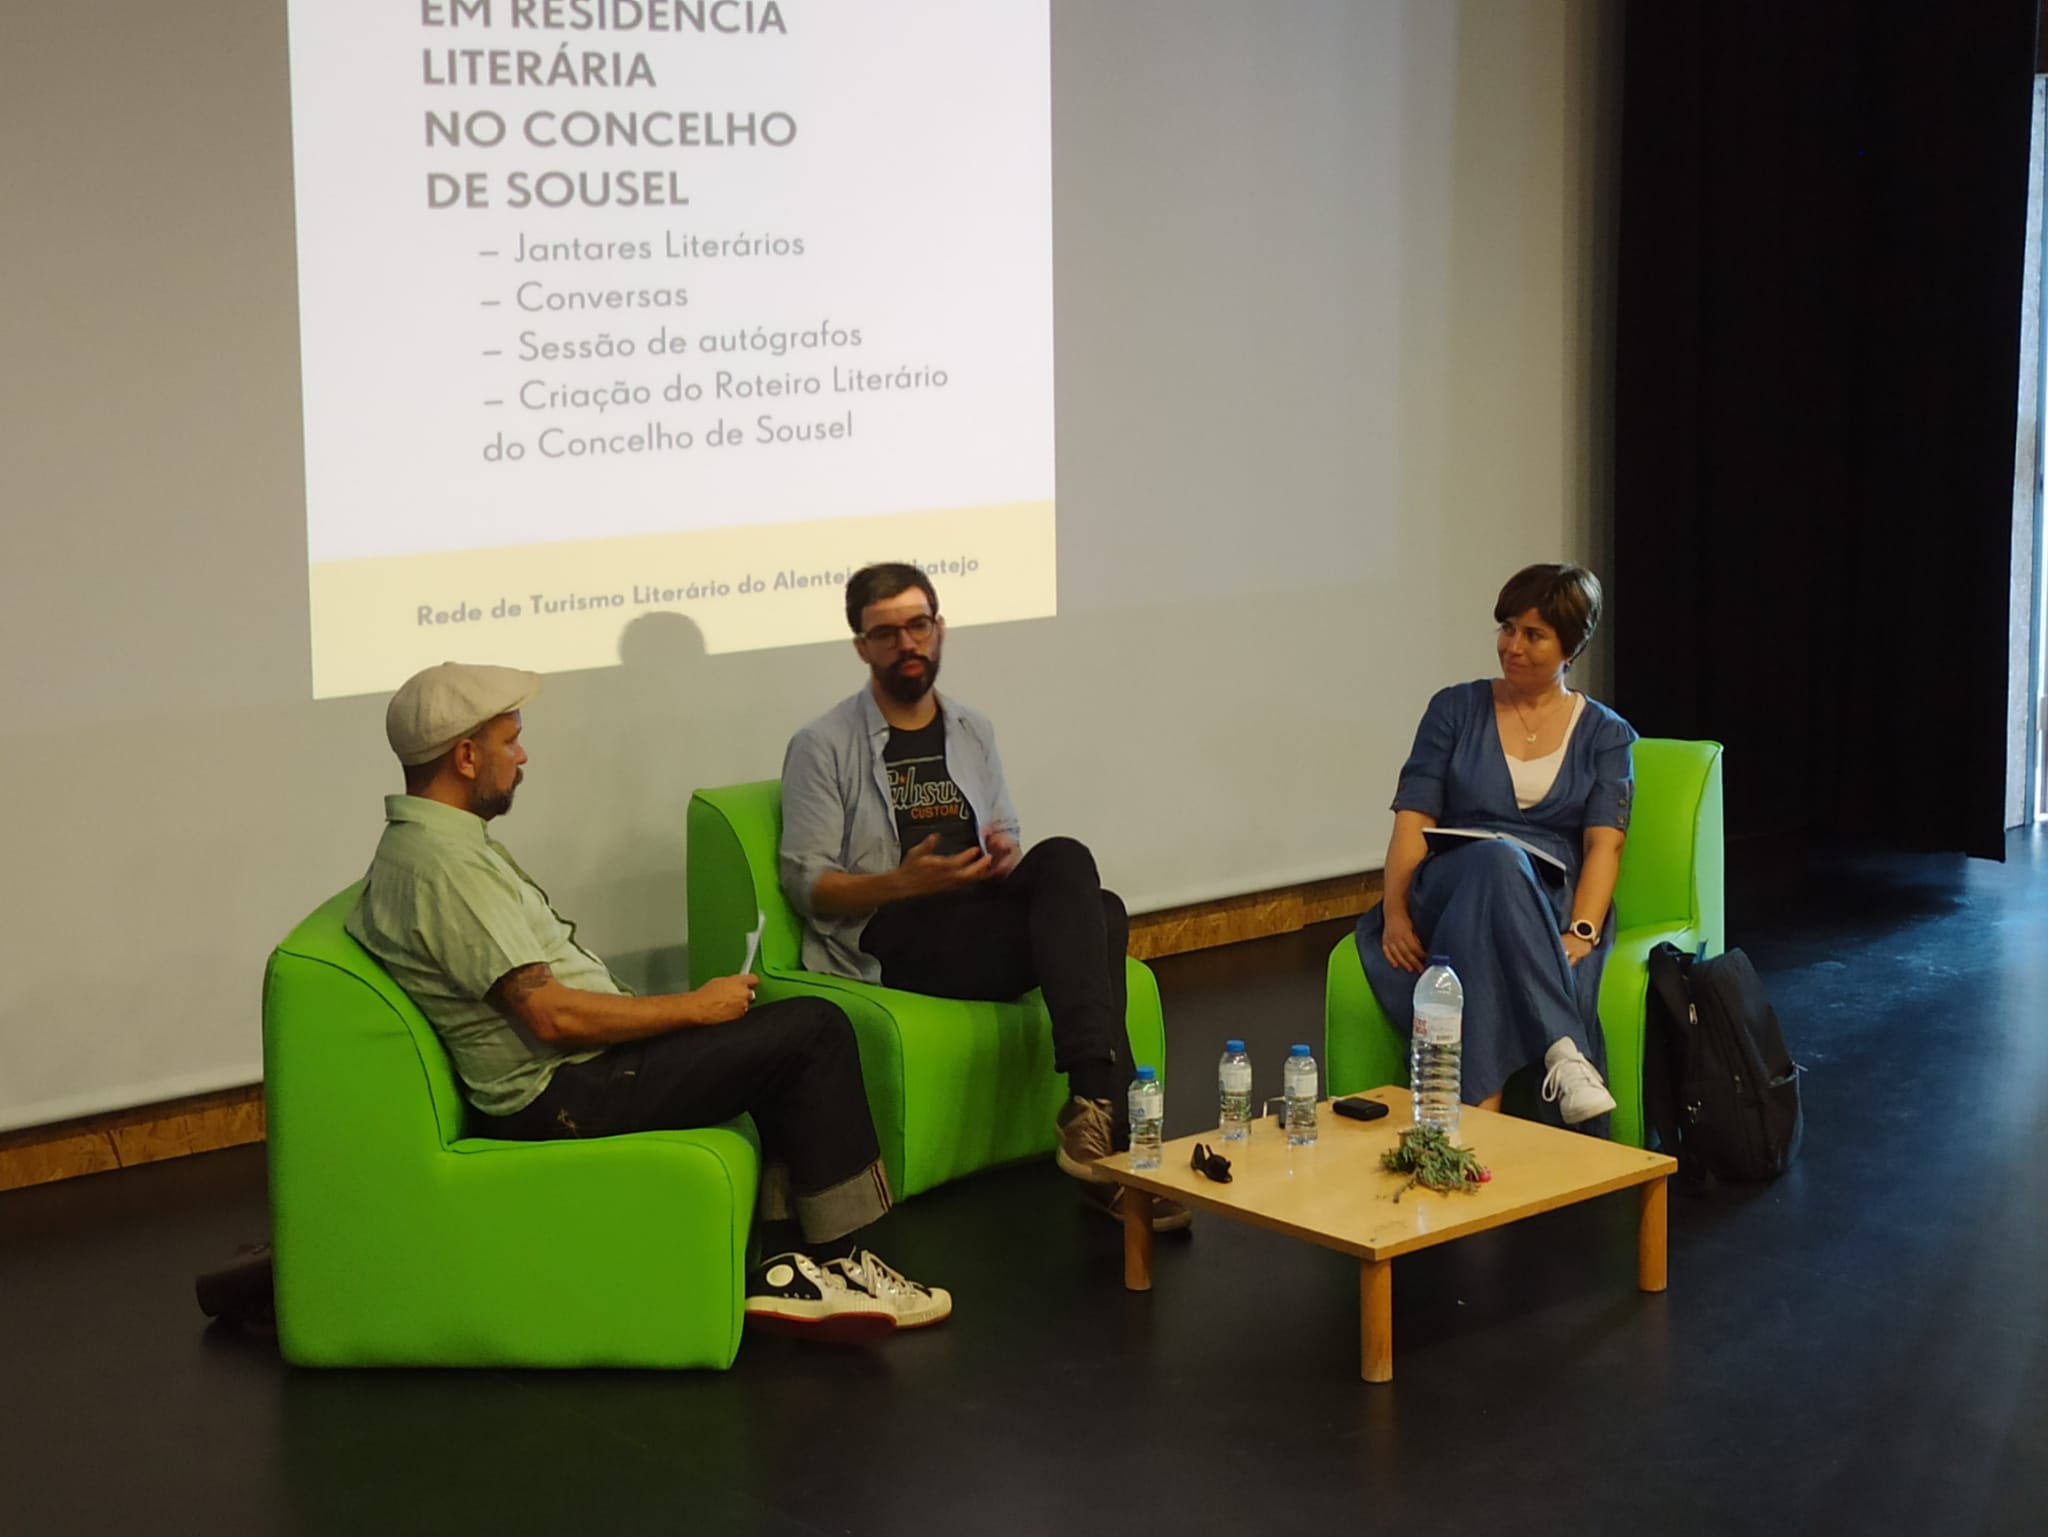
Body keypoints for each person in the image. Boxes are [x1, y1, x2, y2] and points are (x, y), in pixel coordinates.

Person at [345, 661, 949, 1342]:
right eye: (509, 741)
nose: (521, 755)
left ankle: (791, 1268)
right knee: (814, 1030)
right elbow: (551, 1017)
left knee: (781, 1034)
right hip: (566, 1094)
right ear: (464, 755)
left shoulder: (430, 850)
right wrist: (695, 1008)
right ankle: (839, 1257)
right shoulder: (442, 867)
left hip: (579, 1074)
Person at [778, 563, 1189, 1231]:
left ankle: (1091, 1110)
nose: (906, 643)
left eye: (917, 625)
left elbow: (1011, 837)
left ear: (940, 630)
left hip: (975, 913)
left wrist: (1003, 858)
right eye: (886, 633)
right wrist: (900, 882)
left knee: (1069, 862)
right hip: (894, 931)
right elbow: (808, 885)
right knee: (1104, 916)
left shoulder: (971, 728)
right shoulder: (822, 745)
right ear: (862, 646)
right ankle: (1112, 1147)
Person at [1353, 564, 1637, 1129]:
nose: (1512, 646)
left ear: (1570, 646)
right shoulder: (1453, 709)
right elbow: (1413, 818)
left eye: (1533, 635)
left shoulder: (1607, 734)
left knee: (1492, 916)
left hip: (1546, 897)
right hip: (1450, 883)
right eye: (1507, 628)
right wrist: (1395, 913)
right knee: (1496, 859)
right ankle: (1564, 1049)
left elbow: (1605, 844)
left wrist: (1583, 927)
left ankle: (1469, 1123)